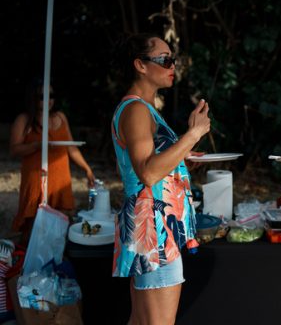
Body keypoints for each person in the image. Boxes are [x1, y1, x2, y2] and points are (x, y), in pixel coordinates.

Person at [111, 33, 210, 325]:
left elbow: (154, 164)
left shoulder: (142, 108)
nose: (172, 65)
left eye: (173, 59)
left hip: (153, 226)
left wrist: (181, 156)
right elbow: (148, 172)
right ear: (140, 65)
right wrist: (193, 135)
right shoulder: (137, 110)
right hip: (155, 228)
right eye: (165, 59)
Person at [9, 80, 96, 244]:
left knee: (60, 221)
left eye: (52, 95)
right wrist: (36, 145)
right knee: (33, 223)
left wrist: (87, 169)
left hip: (60, 178)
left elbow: (71, 148)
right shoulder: (25, 119)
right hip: (36, 178)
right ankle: (27, 261)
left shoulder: (60, 117)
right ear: (33, 98)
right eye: (43, 96)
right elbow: (14, 150)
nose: (48, 100)